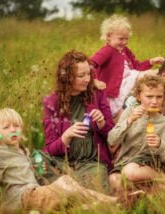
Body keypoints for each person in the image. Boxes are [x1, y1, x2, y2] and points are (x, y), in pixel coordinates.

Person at [0, 108, 117, 212]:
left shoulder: (24, 151)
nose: (12, 130)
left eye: (16, 126)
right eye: (6, 127)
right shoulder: (0, 153)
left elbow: (32, 176)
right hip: (22, 199)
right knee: (65, 183)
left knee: (69, 189)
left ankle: (105, 203)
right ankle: (113, 202)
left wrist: (39, 171)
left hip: (36, 193)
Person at [42, 50, 114, 193]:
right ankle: (77, 190)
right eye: (81, 76)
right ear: (67, 77)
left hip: (91, 162)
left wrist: (101, 123)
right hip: (62, 162)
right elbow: (50, 149)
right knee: (37, 159)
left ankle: (72, 191)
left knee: (95, 181)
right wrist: (66, 136)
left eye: (89, 74)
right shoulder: (52, 102)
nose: (87, 79)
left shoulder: (97, 95)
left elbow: (113, 135)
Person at [107, 75, 165, 194]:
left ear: (164, 98)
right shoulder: (129, 113)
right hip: (126, 161)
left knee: (130, 172)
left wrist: (160, 144)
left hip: (151, 165)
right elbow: (111, 140)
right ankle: (142, 194)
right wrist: (129, 121)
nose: (154, 101)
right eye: (149, 96)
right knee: (114, 180)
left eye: (159, 97)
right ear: (139, 97)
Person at [90, 14, 164, 121]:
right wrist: (94, 80)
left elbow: (137, 67)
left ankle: (161, 102)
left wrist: (151, 61)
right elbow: (90, 64)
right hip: (115, 90)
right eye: (121, 39)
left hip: (128, 85)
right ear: (108, 36)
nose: (124, 42)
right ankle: (113, 131)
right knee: (117, 115)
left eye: (126, 39)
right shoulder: (107, 51)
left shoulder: (125, 50)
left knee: (155, 75)